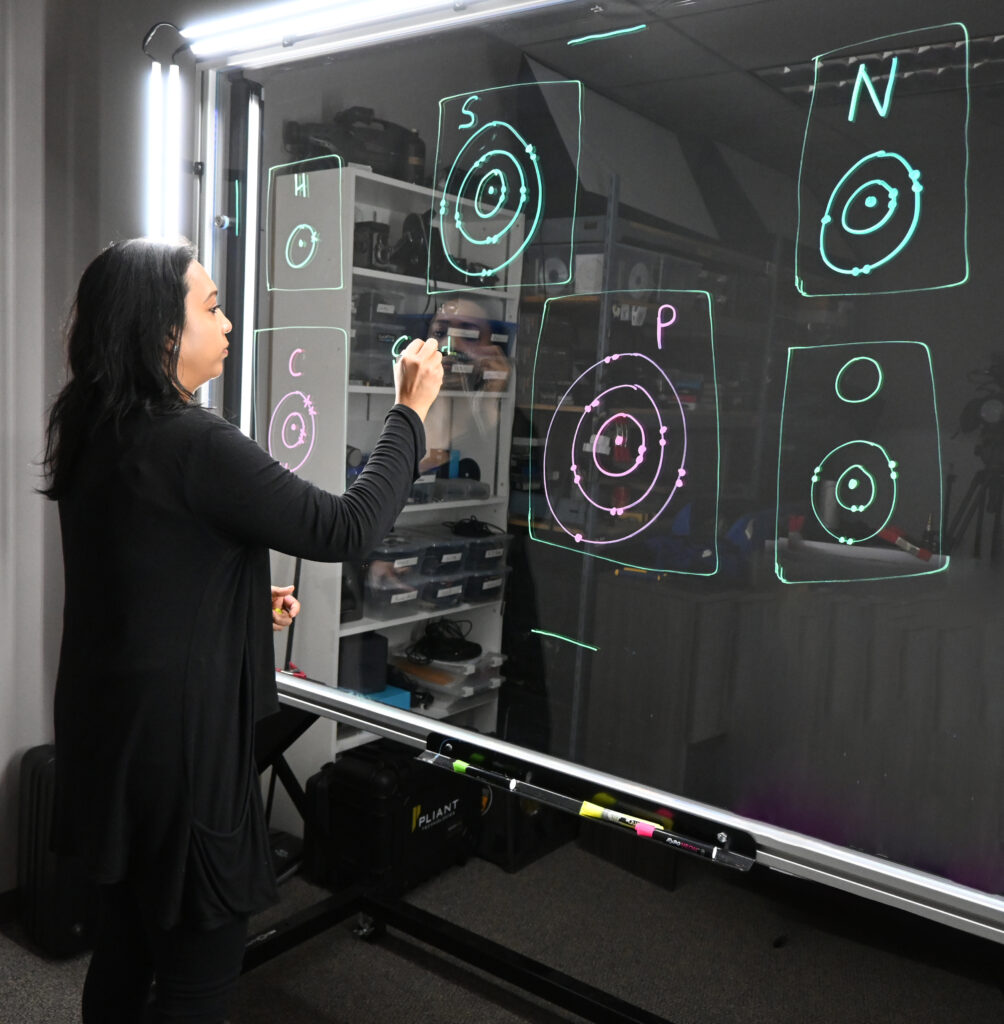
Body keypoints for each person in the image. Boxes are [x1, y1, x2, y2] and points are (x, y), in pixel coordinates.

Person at [40, 238, 443, 1023]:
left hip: (108, 748)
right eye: (213, 307)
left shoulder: (96, 428)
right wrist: (409, 413)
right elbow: (346, 527)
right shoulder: (195, 442)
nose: (227, 325)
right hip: (182, 764)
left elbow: (135, 571)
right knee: (197, 980)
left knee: (123, 953)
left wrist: (237, 598)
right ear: (162, 333)